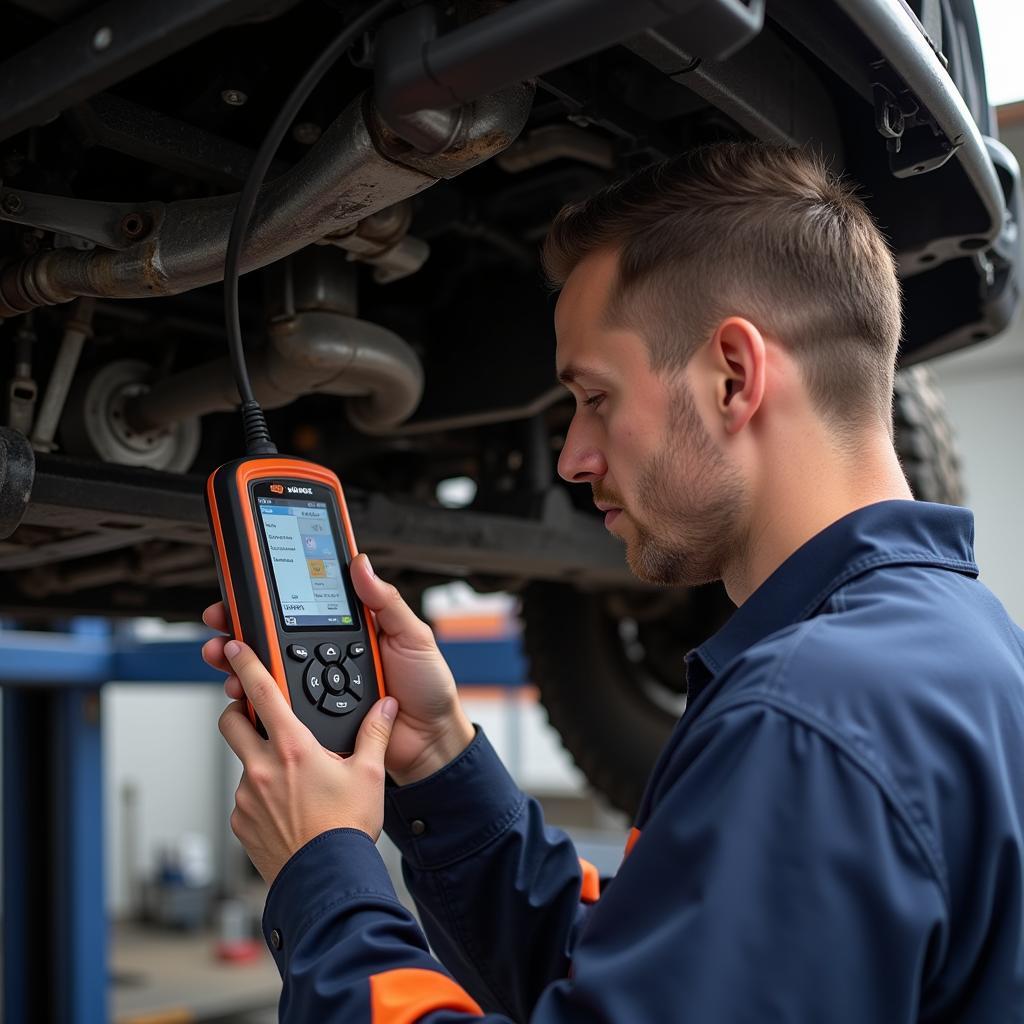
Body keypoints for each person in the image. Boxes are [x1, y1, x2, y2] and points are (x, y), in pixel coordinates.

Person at [201, 143, 1024, 1021]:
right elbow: (650, 970)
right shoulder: (966, 648)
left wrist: (322, 869)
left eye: (594, 398)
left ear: (733, 377)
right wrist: (438, 760)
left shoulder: (803, 719)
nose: (571, 456)